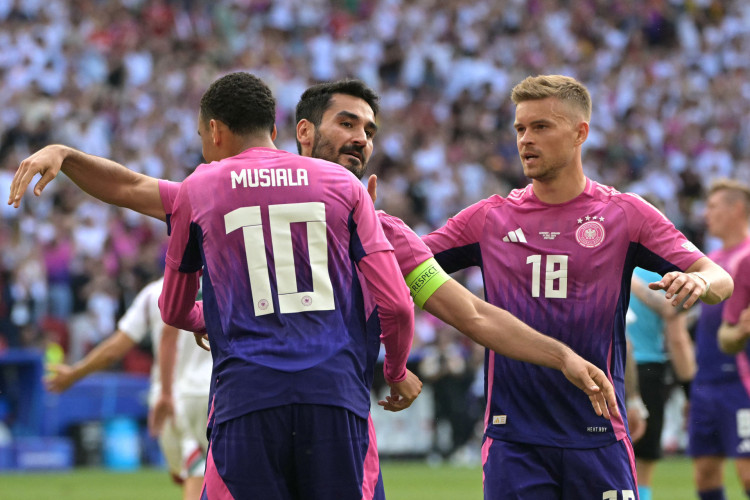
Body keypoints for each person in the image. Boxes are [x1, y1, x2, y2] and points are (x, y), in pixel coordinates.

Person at [9, 79, 616, 416]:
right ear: (302, 131)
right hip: (270, 411)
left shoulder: (386, 233)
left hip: (317, 420)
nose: (360, 139)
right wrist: (67, 155)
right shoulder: (225, 193)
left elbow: (473, 315)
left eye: (369, 131)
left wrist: (562, 356)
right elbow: (131, 187)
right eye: (346, 123)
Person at [420, 74, 733, 500]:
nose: (525, 139)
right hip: (515, 440)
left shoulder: (624, 215)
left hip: (600, 433)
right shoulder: (489, 219)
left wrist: (698, 279)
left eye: (541, 126)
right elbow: (406, 263)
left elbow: (720, 279)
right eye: (520, 128)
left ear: (580, 133)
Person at [154, 71, 422, 498]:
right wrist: (395, 371)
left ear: (215, 130)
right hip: (334, 394)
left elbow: (173, 310)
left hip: (247, 396)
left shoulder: (198, 187)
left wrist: (213, 316)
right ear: (276, 131)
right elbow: (399, 305)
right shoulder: (344, 186)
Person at [45, 276, 211, 500]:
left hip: (175, 398)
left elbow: (115, 349)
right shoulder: (226, 283)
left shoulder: (154, 293)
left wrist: (75, 373)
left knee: (194, 472)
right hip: (218, 394)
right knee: (217, 475)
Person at [689, 179, 750, 500]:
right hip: (706, 381)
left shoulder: (747, 257)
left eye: (713, 206)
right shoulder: (711, 260)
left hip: (741, 382)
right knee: (705, 472)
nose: (706, 214)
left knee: (747, 471)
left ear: (736, 209)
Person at [628, 267, 696, 500]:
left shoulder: (603, 263)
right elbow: (677, 340)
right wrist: (691, 392)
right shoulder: (667, 276)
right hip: (647, 371)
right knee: (642, 468)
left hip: (602, 367)